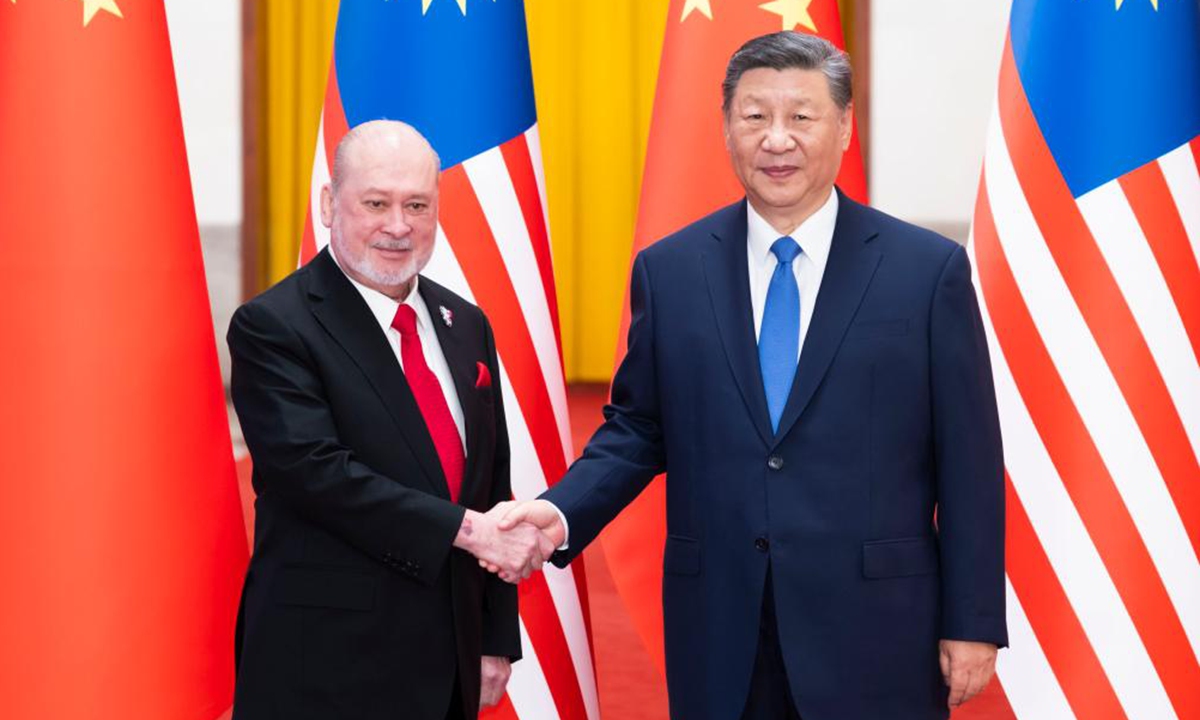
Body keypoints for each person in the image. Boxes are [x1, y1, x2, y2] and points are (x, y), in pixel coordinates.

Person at [497, 31, 1007, 720]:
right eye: (755, 115)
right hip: (724, 626)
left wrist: (972, 618)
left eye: (802, 116)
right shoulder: (671, 271)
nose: (777, 139)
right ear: (727, 127)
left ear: (846, 126)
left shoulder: (925, 272)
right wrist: (559, 513)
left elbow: (970, 458)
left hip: (878, 629)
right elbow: (638, 428)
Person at [227, 120, 553, 720]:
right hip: (324, 663)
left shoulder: (466, 324)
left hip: (447, 657)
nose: (398, 226)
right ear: (330, 204)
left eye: (417, 205)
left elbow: (489, 484)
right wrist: (469, 531)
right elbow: (317, 475)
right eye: (375, 203)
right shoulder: (273, 325)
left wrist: (494, 638)